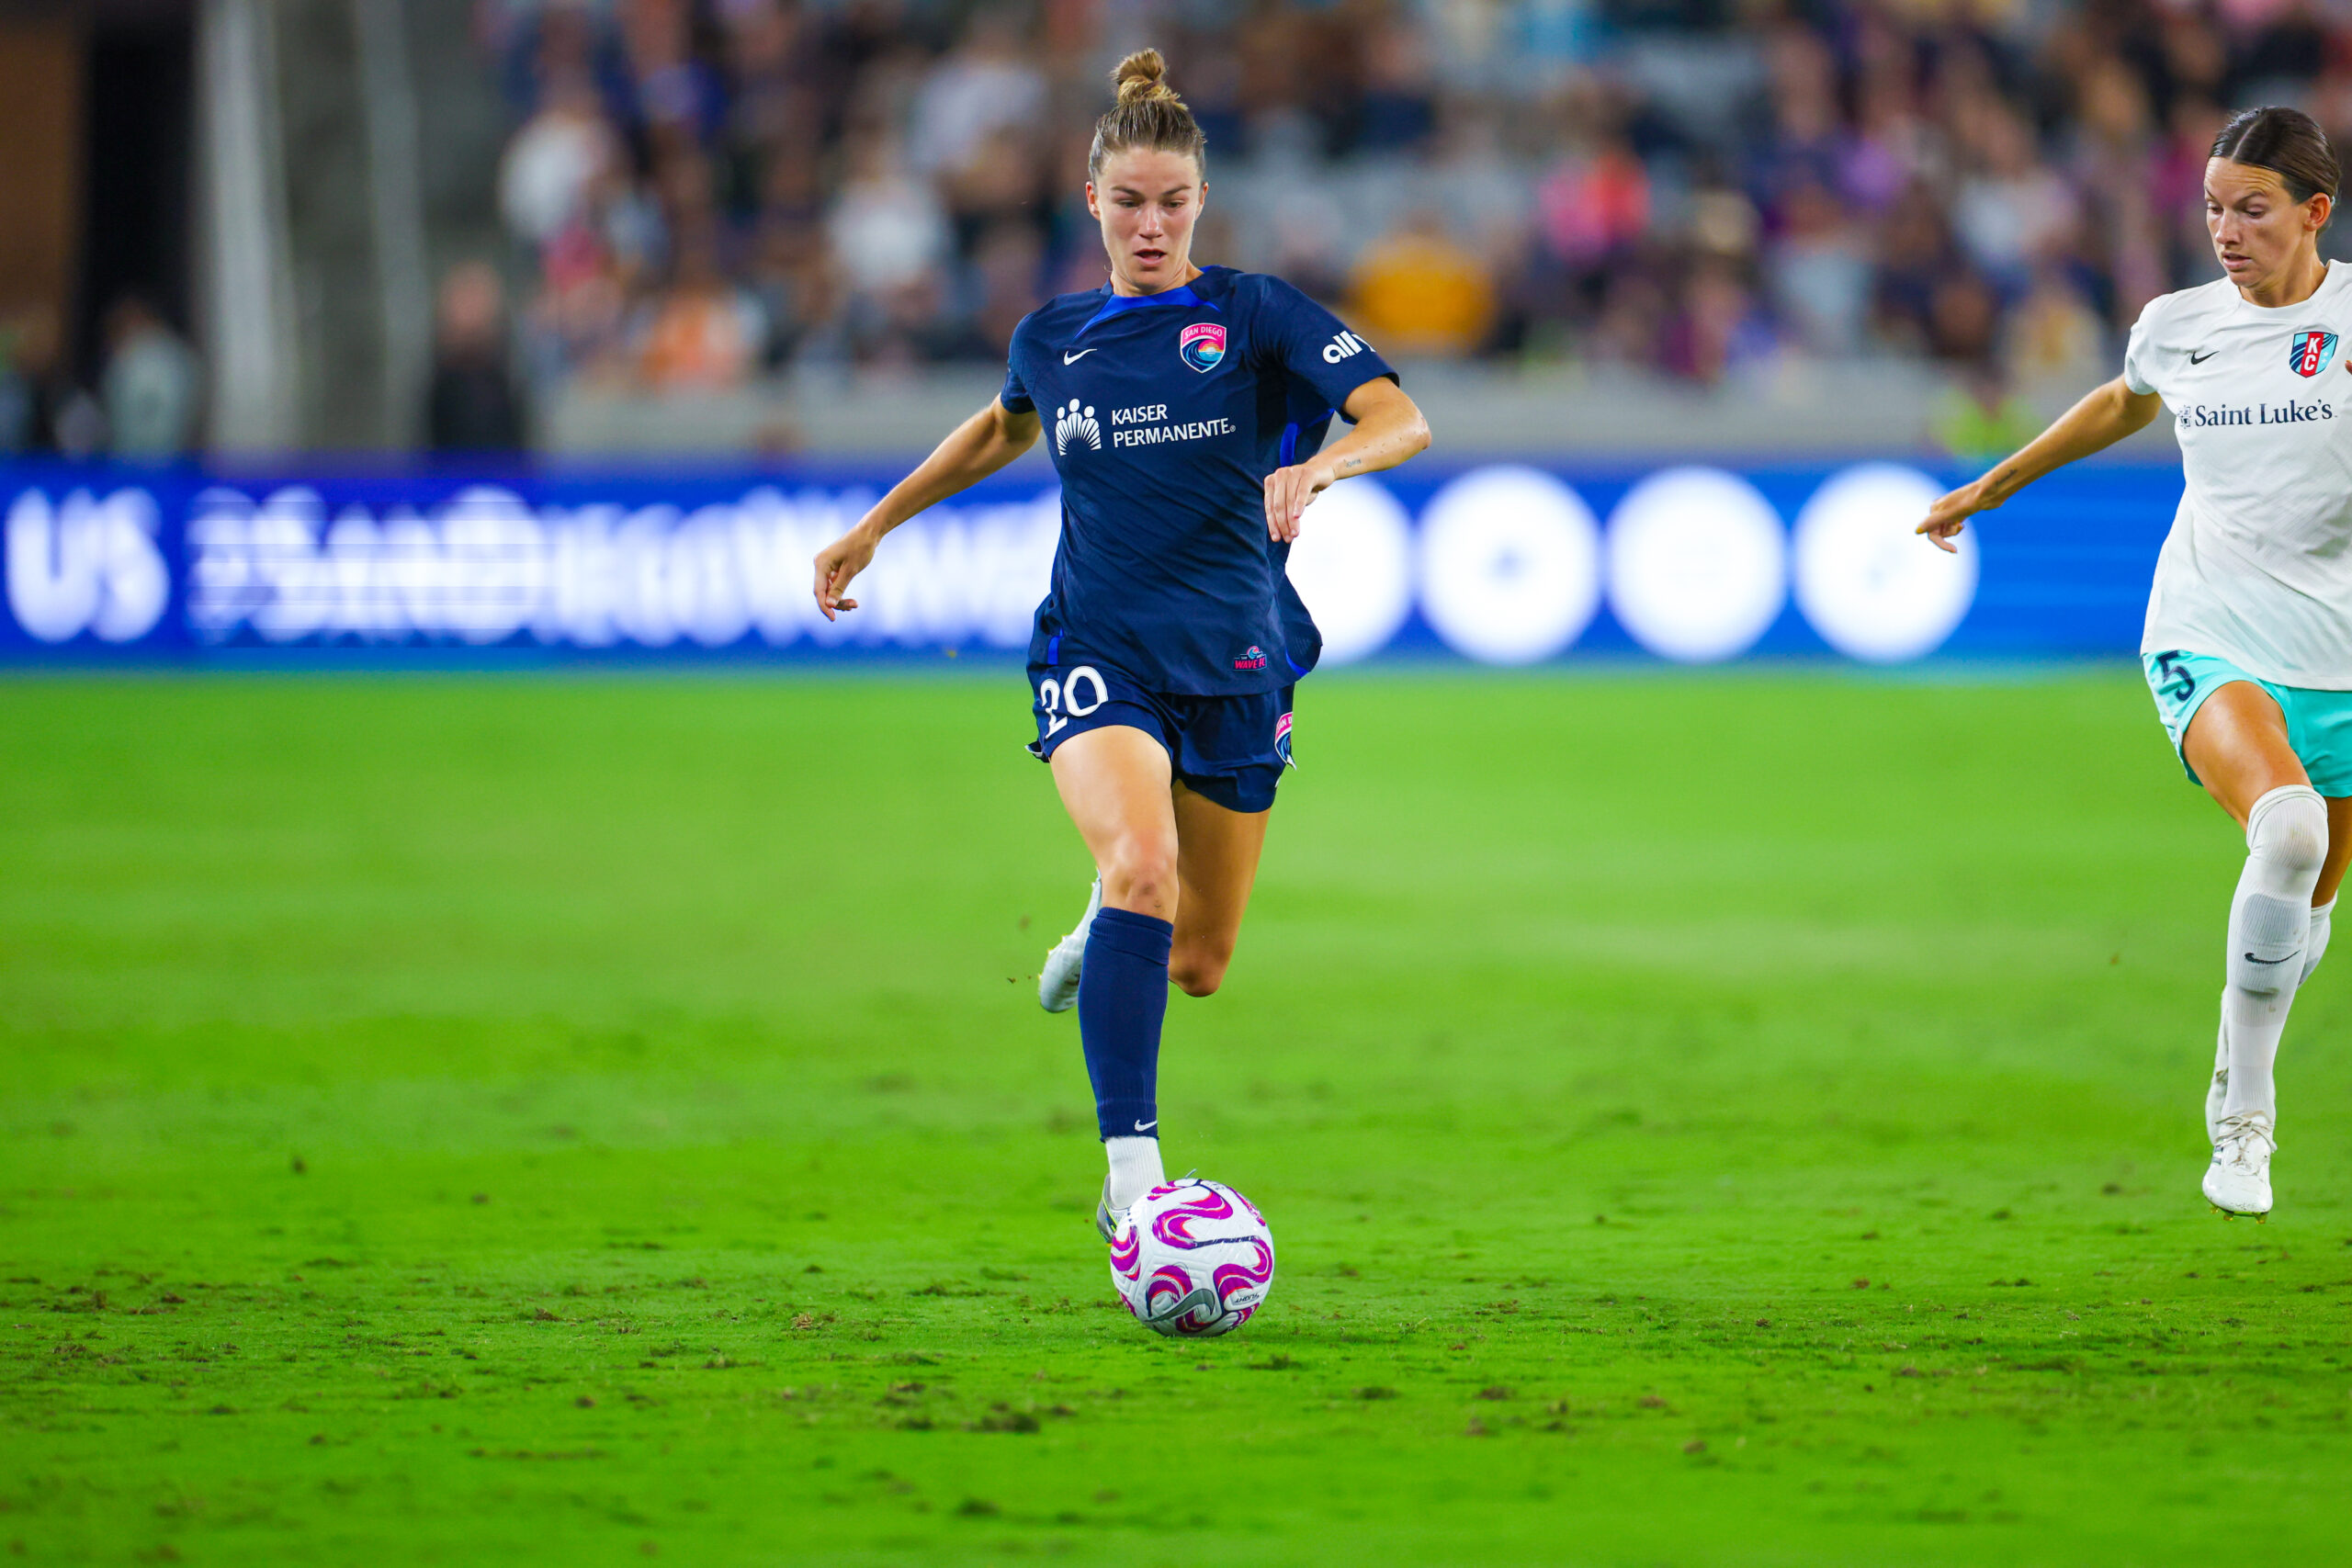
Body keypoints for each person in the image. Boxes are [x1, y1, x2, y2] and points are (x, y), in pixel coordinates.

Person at [810, 50, 1430, 1238]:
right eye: (1130, 202)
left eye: (1174, 202)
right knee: (1142, 861)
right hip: (1099, 645)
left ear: (1202, 203)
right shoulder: (1056, 336)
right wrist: (875, 525)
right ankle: (1133, 1176)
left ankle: (1109, 929)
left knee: (1195, 957)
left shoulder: (1252, 314)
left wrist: (1320, 462)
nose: (1152, 225)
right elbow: (1001, 429)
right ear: (1090, 201)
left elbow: (1401, 416)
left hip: (1241, 658)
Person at [1919, 106, 2352, 1221]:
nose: (2225, 230)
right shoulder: (2178, 324)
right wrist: (1993, 483)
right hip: (2207, 627)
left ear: (2315, 212)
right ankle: (2243, 1121)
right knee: (2289, 831)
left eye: (2252, 209)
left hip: (2339, 654)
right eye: (2212, 207)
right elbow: (2125, 398)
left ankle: (2234, 1045)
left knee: (2301, 917)